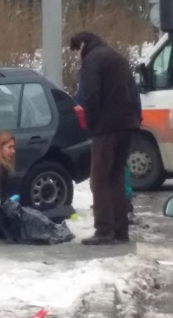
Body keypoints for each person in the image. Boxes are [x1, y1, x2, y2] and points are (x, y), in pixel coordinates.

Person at [70, 31, 142, 245]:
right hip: (126, 125)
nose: (77, 55)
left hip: (106, 128)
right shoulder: (116, 57)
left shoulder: (93, 60)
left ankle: (103, 230)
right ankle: (120, 231)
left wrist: (90, 122)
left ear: (82, 44)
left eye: (76, 50)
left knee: (99, 179)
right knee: (116, 177)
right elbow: (133, 91)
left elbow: (90, 94)